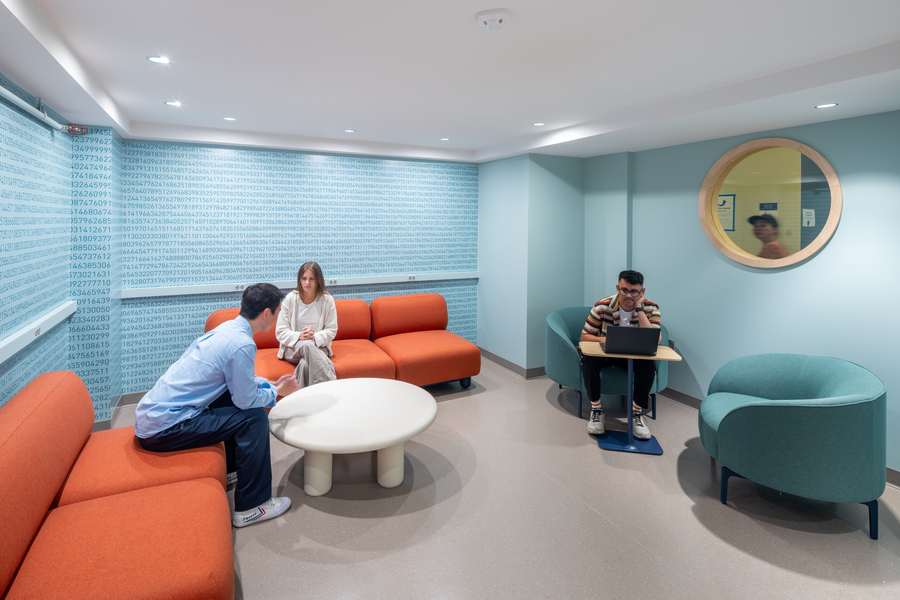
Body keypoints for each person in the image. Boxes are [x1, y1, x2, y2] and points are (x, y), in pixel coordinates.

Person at [134, 283, 300, 528]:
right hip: (162, 430)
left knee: (233, 397)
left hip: (152, 415)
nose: (278, 317)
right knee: (254, 416)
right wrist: (276, 393)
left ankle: (231, 469)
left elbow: (237, 379)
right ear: (266, 313)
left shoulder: (229, 330)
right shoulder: (243, 344)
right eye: (278, 312)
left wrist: (270, 384)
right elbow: (245, 400)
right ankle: (252, 507)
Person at [580, 270, 661, 440]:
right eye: (624, 290)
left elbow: (655, 338)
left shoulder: (651, 307)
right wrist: (606, 339)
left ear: (642, 292)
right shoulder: (602, 305)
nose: (628, 295)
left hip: (632, 355)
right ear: (618, 288)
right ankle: (596, 409)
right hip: (606, 352)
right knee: (588, 359)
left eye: (634, 291)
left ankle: (636, 414)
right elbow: (585, 336)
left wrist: (639, 309)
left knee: (648, 366)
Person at [275, 261, 338, 388]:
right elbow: (280, 331)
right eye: (304, 278)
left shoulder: (327, 300)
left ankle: (301, 400)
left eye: (311, 279)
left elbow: (332, 329)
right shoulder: (291, 299)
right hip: (292, 350)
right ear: (299, 280)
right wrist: (300, 336)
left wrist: (314, 337)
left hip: (318, 347)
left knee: (305, 364)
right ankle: (332, 386)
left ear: (318, 280)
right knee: (307, 345)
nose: (307, 283)